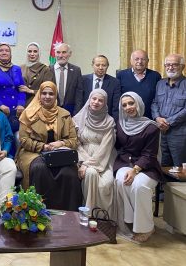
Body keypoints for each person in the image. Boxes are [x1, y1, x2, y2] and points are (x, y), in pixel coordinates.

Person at [17, 81, 82, 211]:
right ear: (39, 95)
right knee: (40, 169)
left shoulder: (65, 115)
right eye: (44, 93)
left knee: (69, 172)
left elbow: (74, 140)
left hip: (59, 153)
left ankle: (69, 214)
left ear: (55, 96)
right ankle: (37, 212)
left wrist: (61, 143)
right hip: (33, 153)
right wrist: (43, 147)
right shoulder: (28, 113)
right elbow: (24, 140)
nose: (47, 96)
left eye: (51, 94)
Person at [115, 92, 163, 243]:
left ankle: (146, 227)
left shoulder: (151, 127)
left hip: (147, 167)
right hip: (124, 163)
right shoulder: (120, 124)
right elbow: (118, 147)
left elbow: (149, 155)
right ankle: (131, 221)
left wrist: (135, 170)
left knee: (139, 186)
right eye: (124, 105)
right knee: (121, 180)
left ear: (139, 104)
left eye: (131, 103)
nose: (128, 107)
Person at [73, 89, 116, 214]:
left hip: (103, 159)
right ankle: (88, 214)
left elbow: (106, 147)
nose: (96, 102)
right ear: (89, 99)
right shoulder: (79, 118)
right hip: (82, 156)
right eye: (94, 99)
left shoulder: (109, 121)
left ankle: (102, 217)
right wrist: (84, 162)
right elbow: (76, 143)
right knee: (91, 173)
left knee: (106, 184)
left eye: (100, 100)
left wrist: (88, 164)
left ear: (105, 103)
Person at [151, 53, 186, 166]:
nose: (170, 68)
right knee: (164, 164)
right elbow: (155, 103)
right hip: (161, 131)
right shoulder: (160, 83)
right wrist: (157, 118)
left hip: (180, 133)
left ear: (182, 66)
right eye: (167, 65)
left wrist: (168, 122)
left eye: (174, 64)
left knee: (180, 165)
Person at [116, 49, 161, 118]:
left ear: (148, 61)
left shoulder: (155, 76)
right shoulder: (121, 75)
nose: (140, 62)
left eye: (143, 59)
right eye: (136, 59)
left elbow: (158, 99)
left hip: (149, 118)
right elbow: (117, 98)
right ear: (131, 61)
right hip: (127, 117)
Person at [49, 43, 83, 115]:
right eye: (58, 52)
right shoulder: (47, 70)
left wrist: (76, 114)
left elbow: (79, 95)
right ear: (55, 53)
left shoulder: (76, 70)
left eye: (64, 52)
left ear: (70, 54)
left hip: (70, 112)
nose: (60, 55)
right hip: (51, 111)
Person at [82, 55, 121, 120]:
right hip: (86, 118)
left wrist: (113, 122)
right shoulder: (83, 80)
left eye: (104, 65)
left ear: (107, 66)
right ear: (92, 65)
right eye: (97, 65)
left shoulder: (114, 82)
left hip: (106, 119)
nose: (100, 68)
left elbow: (115, 107)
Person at [19, 42, 54, 107]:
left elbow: (48, 90)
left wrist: (31, 91)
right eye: (29, 51)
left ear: (39, 53)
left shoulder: (45, 69)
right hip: (22, 104)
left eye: (35, 51)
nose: (32, 54)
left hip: (38, 104)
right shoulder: (21, 68)